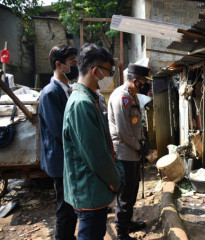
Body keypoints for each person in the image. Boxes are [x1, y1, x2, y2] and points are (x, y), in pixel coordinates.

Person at [62, 43, 124, 240]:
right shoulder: (81, 104)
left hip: (94, 188)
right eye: (109, 72)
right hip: (89, 190)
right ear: (96, 71)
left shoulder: (89, 99)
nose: (110, 77)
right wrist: (116, 181)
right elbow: (96, 157)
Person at [108, 63, 152, 240]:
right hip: (124, 152)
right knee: (126, 193)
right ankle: (121, 232)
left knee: (133, 189)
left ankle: (128, 223)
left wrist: (142, 142)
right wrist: (138, 146)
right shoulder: (122, 97)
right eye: (144, 81)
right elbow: (123, 130)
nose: (146, 85)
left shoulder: (132, 96)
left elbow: (134, 125)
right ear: (135, 81)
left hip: (132, 150)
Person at [38, 44, 78, 240]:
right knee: (66, 208)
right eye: (72, 63)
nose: (75, 66)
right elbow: (58, 130)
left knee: (71, 207)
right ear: (59, 65)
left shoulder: (66, 89)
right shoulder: (50, 93)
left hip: (67, 158)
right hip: (60, 160)